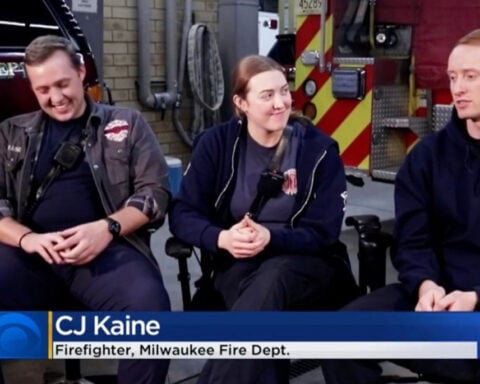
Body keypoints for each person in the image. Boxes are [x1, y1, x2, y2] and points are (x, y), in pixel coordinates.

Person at [0, 35, 171, 383]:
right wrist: (28, 239)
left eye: (63, 83)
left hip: (108, 253)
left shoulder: (126, 123)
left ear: (81, 72)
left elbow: (155, 193)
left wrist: (107, 228)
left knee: (150, 312)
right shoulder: (10, 132)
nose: (56, 97)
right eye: (43, 89)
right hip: (30, 256)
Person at [169, 54, 350, 383]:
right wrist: (221, 238)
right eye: (267, 96)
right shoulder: (216, 145)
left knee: (274, 277)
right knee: (262, 317)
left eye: (283, 91)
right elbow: (182, 213)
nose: (281, 103)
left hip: (309, 265)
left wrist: (272, 239)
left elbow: (325, 231)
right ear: (241, 103)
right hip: (238, 264)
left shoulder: (318, 149)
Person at [321, 28, 480, 384]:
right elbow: (413, 239)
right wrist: (426, 285)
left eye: (472, 76)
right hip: (434, 299)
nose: (459, 87)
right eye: (454, 77)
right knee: (338, 337)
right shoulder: (427, 157)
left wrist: (474, 298)